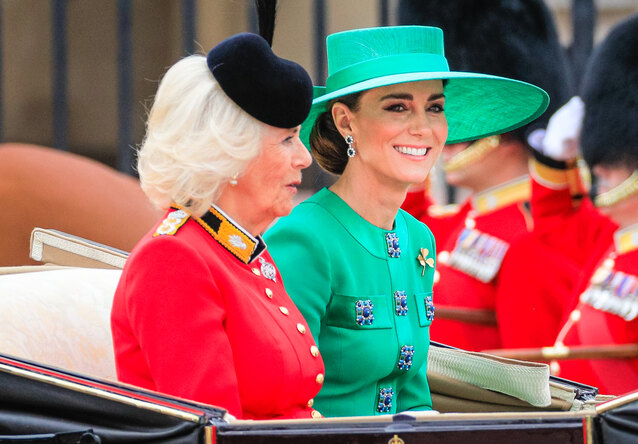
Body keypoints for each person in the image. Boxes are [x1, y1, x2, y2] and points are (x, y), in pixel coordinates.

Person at [264, 25, 548, 416]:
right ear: (346, 122)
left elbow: (413, 393)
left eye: (434, 107)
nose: (423, 128)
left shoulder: (418, 238)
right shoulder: (303, 238)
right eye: (397, 107)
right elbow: (280, 403)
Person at [110, 32, 326, 420]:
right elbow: (214, 430)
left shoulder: (239, 248)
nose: (305, 158)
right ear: (230, 153)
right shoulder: (172, 258)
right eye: (288, 140)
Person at [500, 9, 638, 395]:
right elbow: (555, 223)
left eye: (617, 153)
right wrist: (554, 158)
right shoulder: (613, 239)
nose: (601, 165)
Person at [397, 0, 573, 351]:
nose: (449, 135)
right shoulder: (460, 222)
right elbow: (400, 236)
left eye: (468, 126)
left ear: (506, 126)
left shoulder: (534, 231)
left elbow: (532, 372)